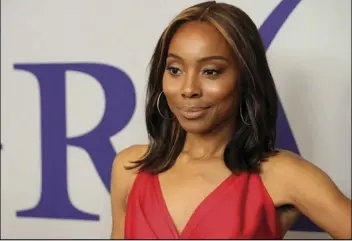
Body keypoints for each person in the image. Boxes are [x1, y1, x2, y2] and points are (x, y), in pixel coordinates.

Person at [110, 1, 351, 239]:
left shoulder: (283, 175)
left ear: (246, 78)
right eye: (175, 70)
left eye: (211, 71)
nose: (188, 89)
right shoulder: (130, 168)